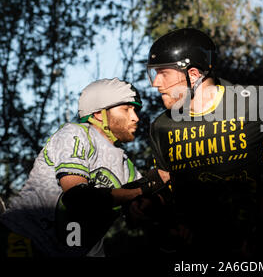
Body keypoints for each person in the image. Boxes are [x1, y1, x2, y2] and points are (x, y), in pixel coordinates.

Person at [145, 28, 263, 259]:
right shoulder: (161, 127)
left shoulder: (254, 103)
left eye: (163, 73)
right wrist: (148, 204)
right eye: (154, 73)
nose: (155, 83)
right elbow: (165, 184)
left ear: (195, 74)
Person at [0, 77, 168, 257]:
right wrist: (143, 188)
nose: (135, 118)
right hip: (22, 238)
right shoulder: (75, 134)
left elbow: (136, 218)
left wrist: (151, 204)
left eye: (135, 110)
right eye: (126, 109)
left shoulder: (127, 168)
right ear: (98, 114)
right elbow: (78, 197)